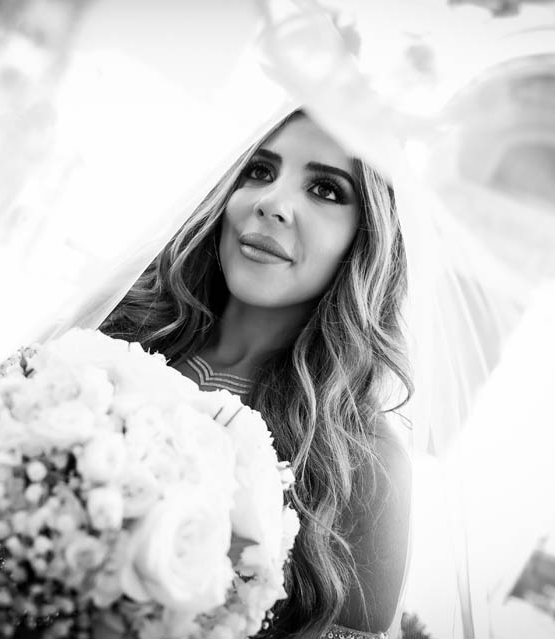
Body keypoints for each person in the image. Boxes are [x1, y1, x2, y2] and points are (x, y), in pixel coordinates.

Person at [100, 110, 413, 639]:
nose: (271, 202)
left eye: (325, 189)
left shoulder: (366, 460)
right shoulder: (112, 331)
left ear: (366, 241)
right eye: (260, 171)